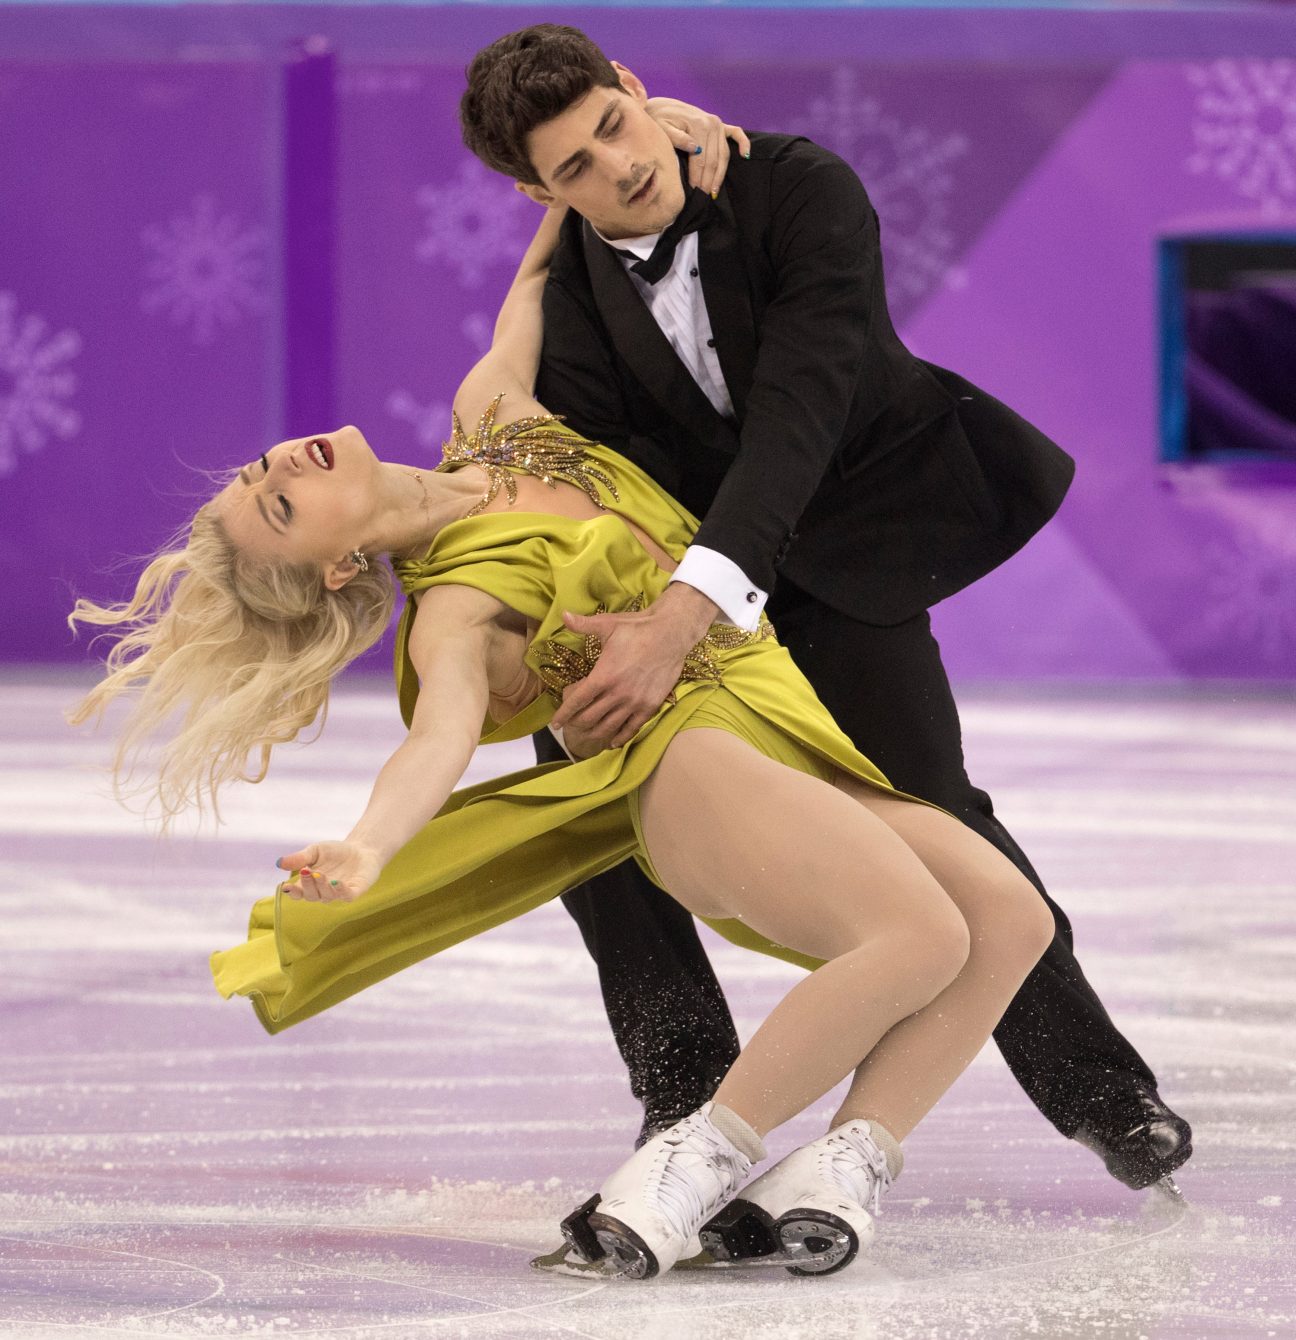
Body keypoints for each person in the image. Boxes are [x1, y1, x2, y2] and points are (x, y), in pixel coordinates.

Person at [68, 185, 1056, 1279]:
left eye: (264, 472)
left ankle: (843, 1161)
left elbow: (534, 286)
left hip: (776, 716)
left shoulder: (494, 419)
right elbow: (436, 739)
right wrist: (369, 845)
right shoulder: (453, 606)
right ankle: (690, 1164)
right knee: (917, 933)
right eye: (281, 507)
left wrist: (577, 186)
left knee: (1009, 916)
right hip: (689, 760)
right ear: (342, 567)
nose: (283, 466)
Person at [458, 23, 1192, 1192]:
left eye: (614, 125)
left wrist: (686, 616)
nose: (620, 167)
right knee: (585, 780)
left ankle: (1104, 1090)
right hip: (694, 562)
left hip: (847, 537)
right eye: (573, 170)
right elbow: (590, 482)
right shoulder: (573, 309)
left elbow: (798, 421)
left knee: (932, 806)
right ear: (536, 195)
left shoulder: (800, 189)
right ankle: (683, 1089)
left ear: (636, 89)